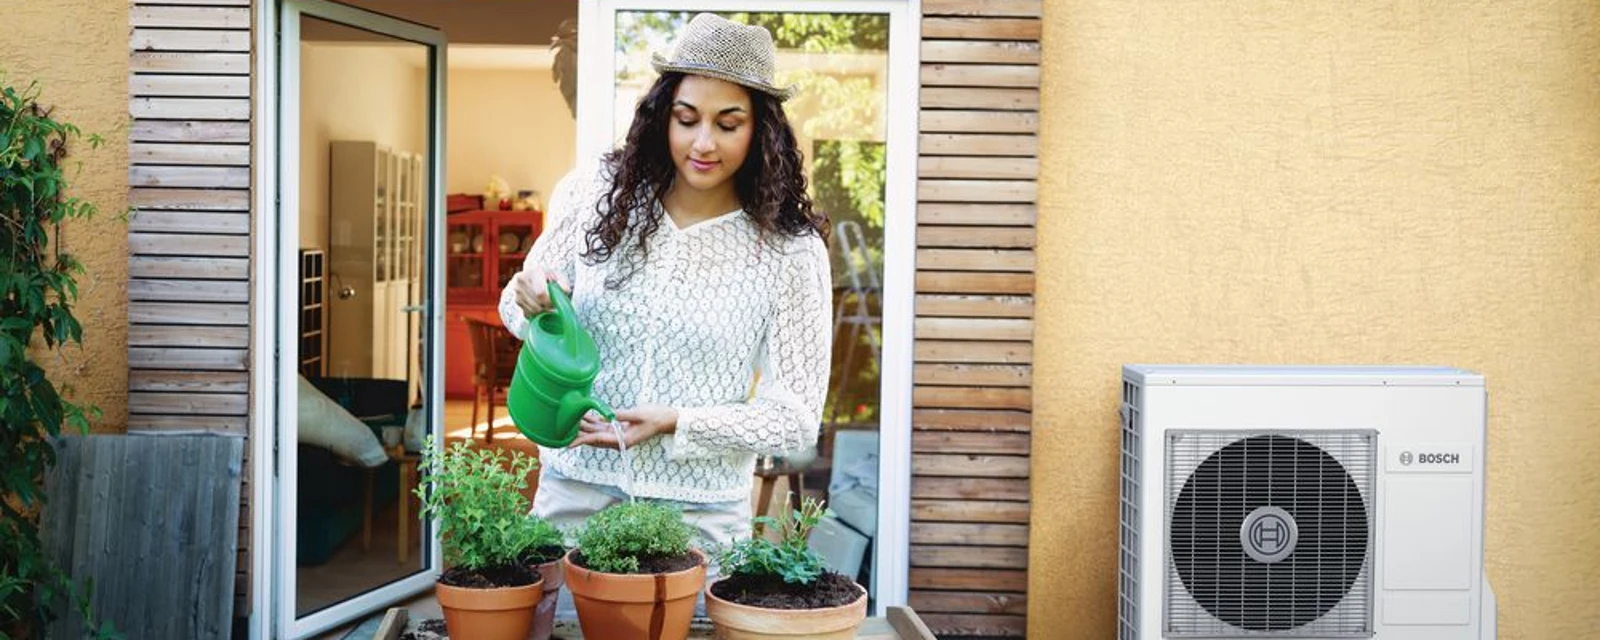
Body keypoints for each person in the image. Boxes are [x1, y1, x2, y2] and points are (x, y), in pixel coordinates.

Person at [497, 13, 833, 574]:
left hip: (701, 516)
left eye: (728, 124)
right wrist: (529, 302)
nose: (703, 143)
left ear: (761, 132)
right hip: (575, 494)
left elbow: (795, 418)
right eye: (687, 119)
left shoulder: (790, 251)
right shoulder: (593, 195)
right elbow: (517, 310)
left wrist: (677, 420)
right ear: (662, 118)